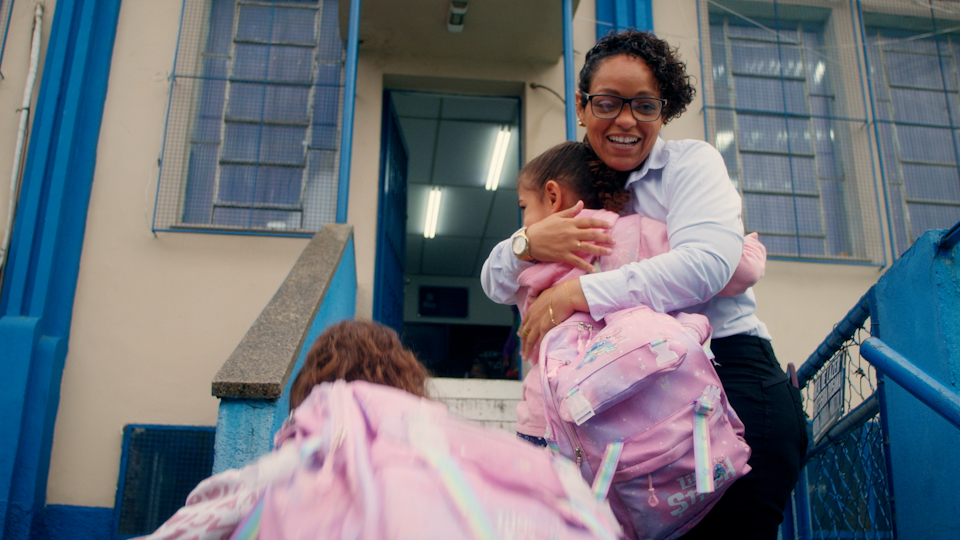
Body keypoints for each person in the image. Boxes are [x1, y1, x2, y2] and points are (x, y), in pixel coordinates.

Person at [481, 30, 807, 539]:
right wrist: (529, 241)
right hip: (627, 408)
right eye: (608, 103)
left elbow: (705, 266)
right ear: (583, 107)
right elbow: (496, 282)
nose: (626, 120)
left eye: (645, 105)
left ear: (663, 110)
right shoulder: (570, 181)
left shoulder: (690, 165)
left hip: (727, 380)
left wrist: (577, 294)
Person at [508, 140, 766, 447]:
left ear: (552, 196)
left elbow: (504, 290)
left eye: (524, 207)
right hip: (621, 412)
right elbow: (735, 273)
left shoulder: (530, 265)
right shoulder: (631, 232)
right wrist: (744, 243)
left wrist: (525, 244)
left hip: (543, 416)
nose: (523, 224)